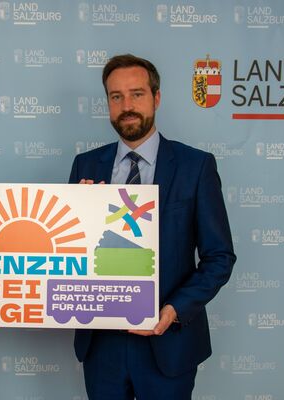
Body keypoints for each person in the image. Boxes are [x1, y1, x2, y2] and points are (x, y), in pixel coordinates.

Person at [69, 54, 236, 400]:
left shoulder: (195, 166)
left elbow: (219, 257)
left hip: (168, 340)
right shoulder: (86, 165)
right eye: (116, 96)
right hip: (102, 344)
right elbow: (67, 250)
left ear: (156, 98)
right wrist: (80, 215)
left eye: (137, 94)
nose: (127, 106)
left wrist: (174, 310)